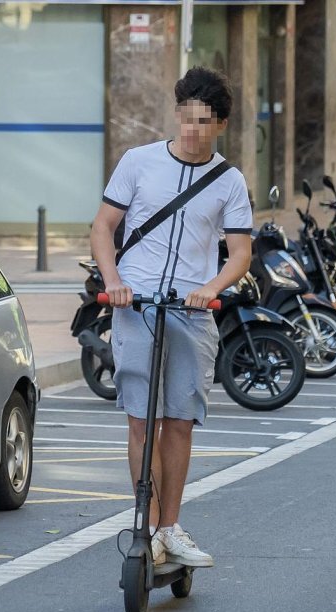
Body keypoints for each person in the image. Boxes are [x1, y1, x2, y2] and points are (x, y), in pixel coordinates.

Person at [89, 67, 253, 568]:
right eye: (185, 118)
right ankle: (147, 523)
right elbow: (103, 228)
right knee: (142, 418)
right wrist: (113, 281)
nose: (191, 130)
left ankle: (169, 526)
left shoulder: (229, 180)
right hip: (136, 306)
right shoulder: (138, 163)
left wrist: (210, 289)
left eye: (202, 121)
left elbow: (240, 253)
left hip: (191, 309)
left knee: (179, 422)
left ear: (220, 124)